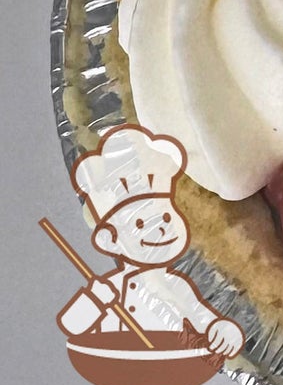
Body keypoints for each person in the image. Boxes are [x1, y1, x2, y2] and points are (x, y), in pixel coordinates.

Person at [56, 124, 243, 357]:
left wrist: (218, 329)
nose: (162, 230)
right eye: (140, 223)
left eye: (165, 218)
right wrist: (96, 298)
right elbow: (71, 325)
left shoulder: (170, 279)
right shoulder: (112, 284)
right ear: (111, 240)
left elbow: (196, 311)